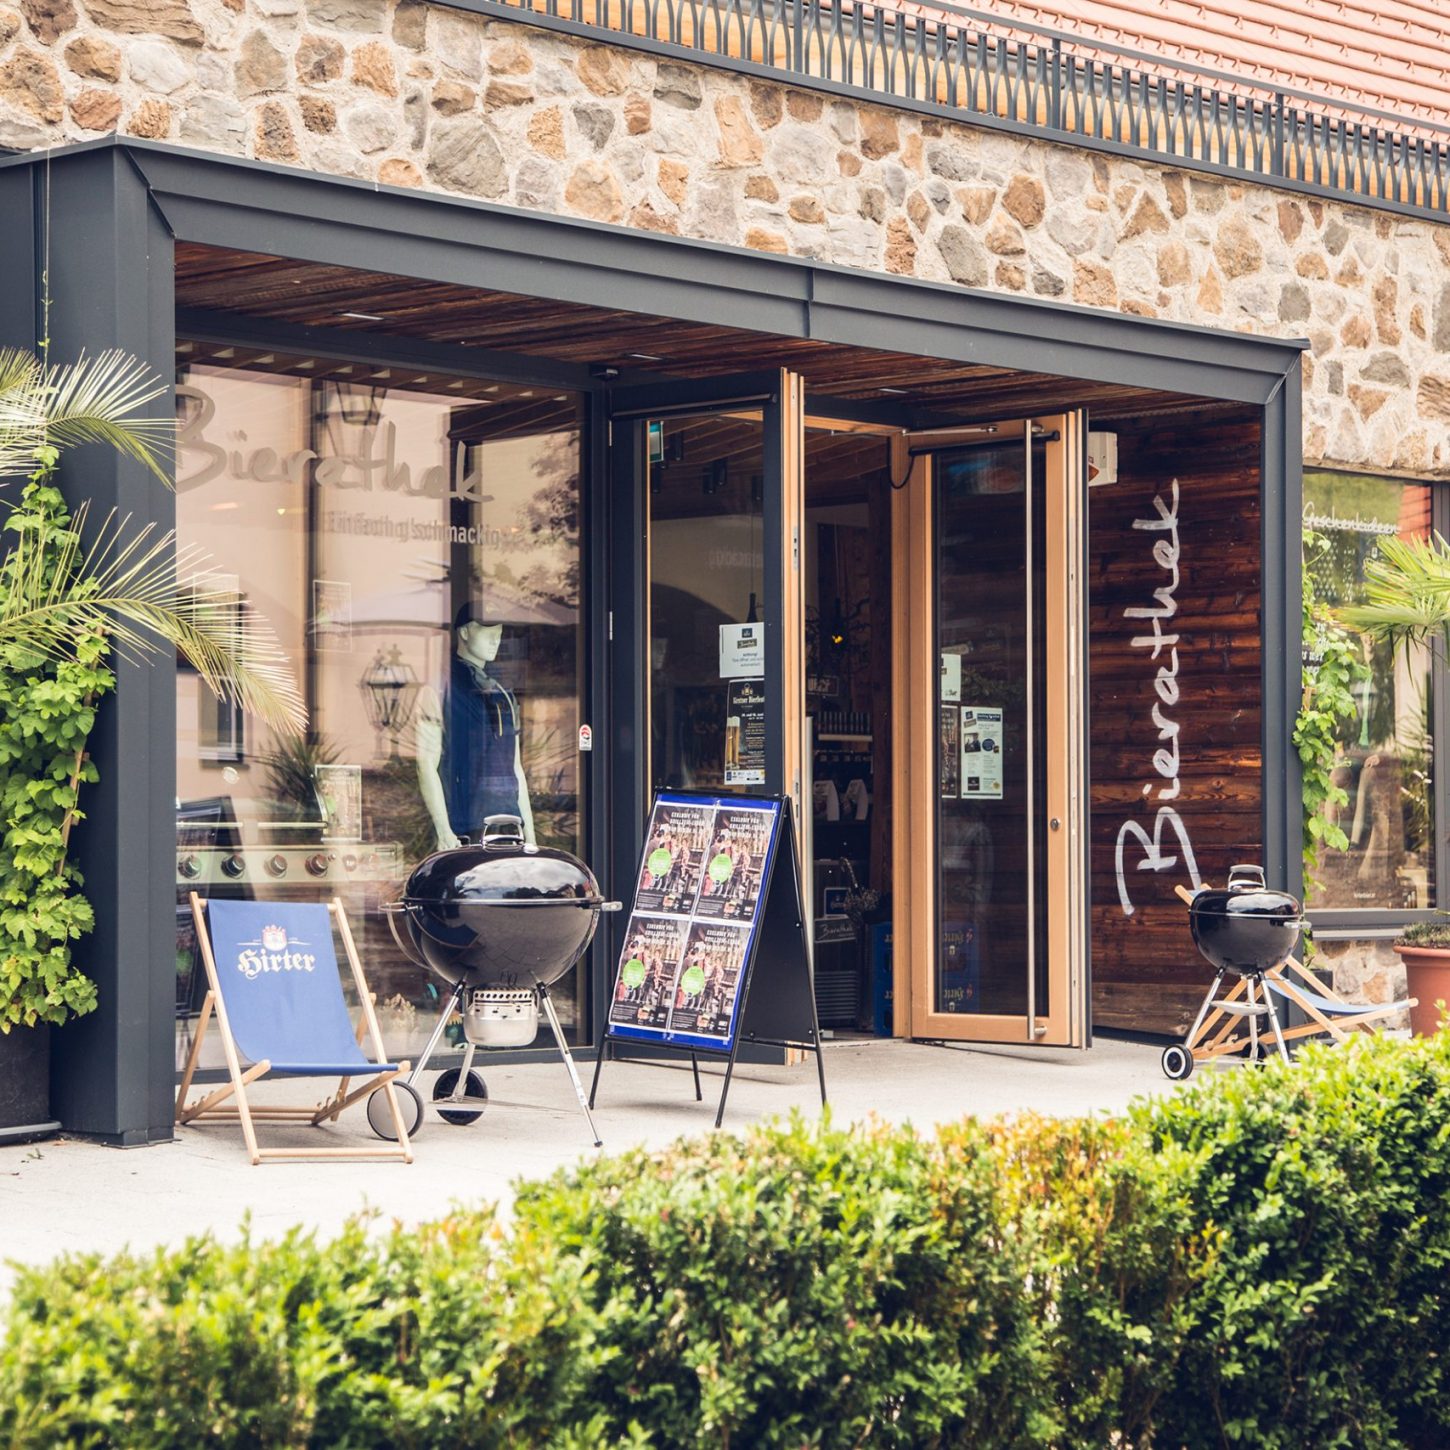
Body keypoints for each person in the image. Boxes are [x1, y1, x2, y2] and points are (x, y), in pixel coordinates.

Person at [415, 601, 535, 850]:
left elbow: (516, 769)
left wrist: (531, 836)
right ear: (465, 632)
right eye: (488, 633)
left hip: (509, 828)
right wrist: (444, 830)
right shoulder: (439, 689)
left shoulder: (503, 694)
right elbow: (426, 764)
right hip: (463, 829)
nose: (496, 640)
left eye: (499, 634)